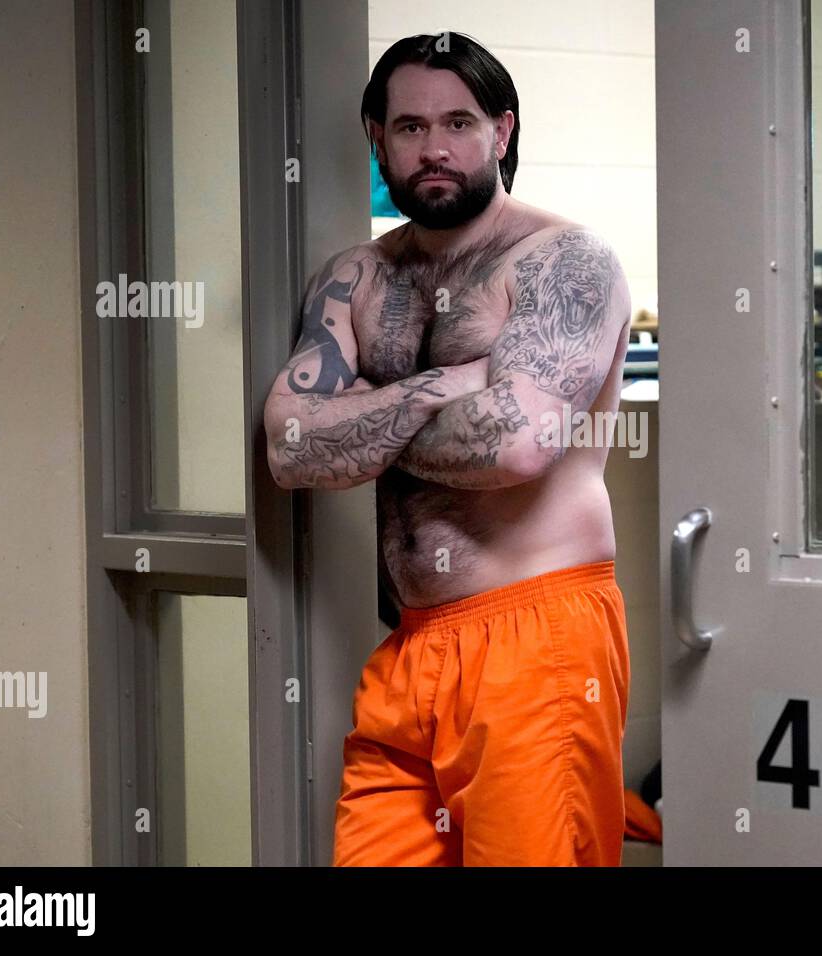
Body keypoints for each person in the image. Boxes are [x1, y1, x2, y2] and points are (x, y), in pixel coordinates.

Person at [263, 31, 633, 866]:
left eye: (459, 123)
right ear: (377, 139)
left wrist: (358, 419)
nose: (434, 148)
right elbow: (289, 448)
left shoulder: (563, 261)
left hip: (539, 637)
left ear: (502, 133)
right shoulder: (355, 276)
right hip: (409, 645)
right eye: (409, 127)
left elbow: (517, 447)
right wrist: (444, 386)